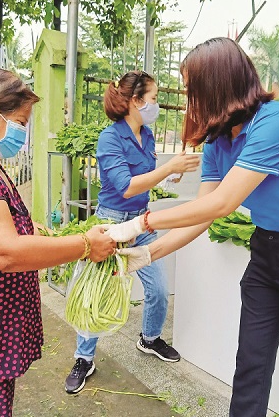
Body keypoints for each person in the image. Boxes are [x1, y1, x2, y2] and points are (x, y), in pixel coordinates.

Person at [105, 38, 279, 417]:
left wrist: (141, 222)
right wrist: (145, 253)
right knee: (251, 364)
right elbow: (203, 212)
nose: (189, 100)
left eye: (193, 90)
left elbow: (224, 202)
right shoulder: (220, 142)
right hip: (268, 250)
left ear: (217, 85)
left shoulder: (276, 122)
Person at [0, 68, 116, 417]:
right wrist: (84, 245)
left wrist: (29, 230)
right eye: (21, 122)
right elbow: (2, 251)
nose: (24, 133)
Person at [64, 70, 201, 394]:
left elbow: (149, 177)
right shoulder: (110, 138)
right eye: (152, 99)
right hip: (112, 224)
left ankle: (149, 338)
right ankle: (84, 358)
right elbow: (125, 187)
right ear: (135, 102)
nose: (156, 104)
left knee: (158, 288)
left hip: (144, 221)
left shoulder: (148, 135)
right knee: (95, 293)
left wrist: (171, 177)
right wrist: (169, 168)